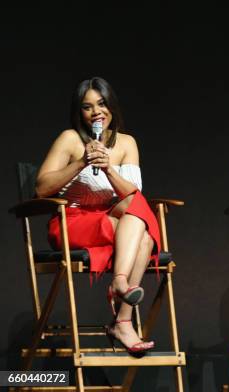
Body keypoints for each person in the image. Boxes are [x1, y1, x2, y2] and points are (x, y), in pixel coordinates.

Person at [35, 77, 159, 356]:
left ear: (112, 106)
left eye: (101, 104)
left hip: (114, 221)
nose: (96, 112)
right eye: (87, 107)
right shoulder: (70, 139)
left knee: (140, 224)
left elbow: (133, 197)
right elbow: (41, 188)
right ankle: (124, 311)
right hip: (72, 223)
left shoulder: (127, 143)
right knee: (143, 237)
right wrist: (82, 162)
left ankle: (121, 306)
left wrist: (108, 170)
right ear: (80, 113)